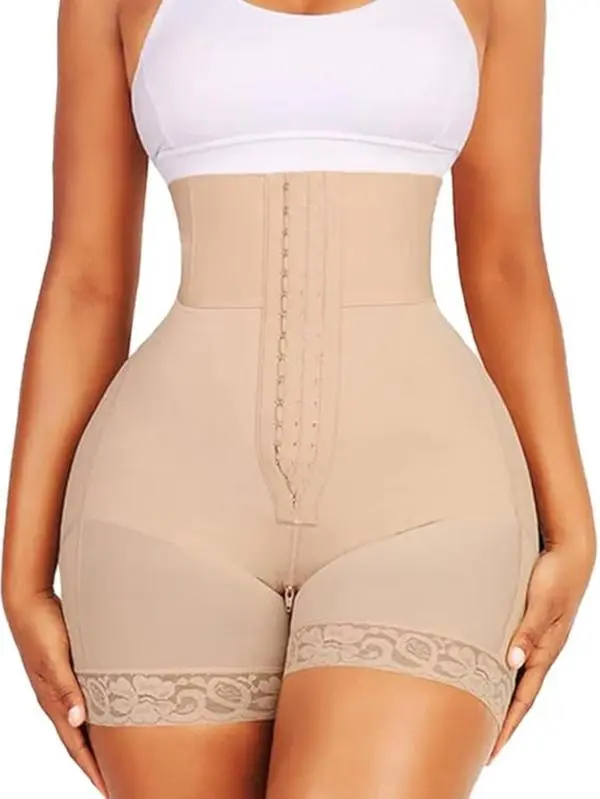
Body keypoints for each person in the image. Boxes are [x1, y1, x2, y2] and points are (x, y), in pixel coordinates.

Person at [2, 1, 595, 797]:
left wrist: (574, 525)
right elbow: (87, 280)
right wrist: (23, 574)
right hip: (162, 502)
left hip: (431, 501)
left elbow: (505, 264)